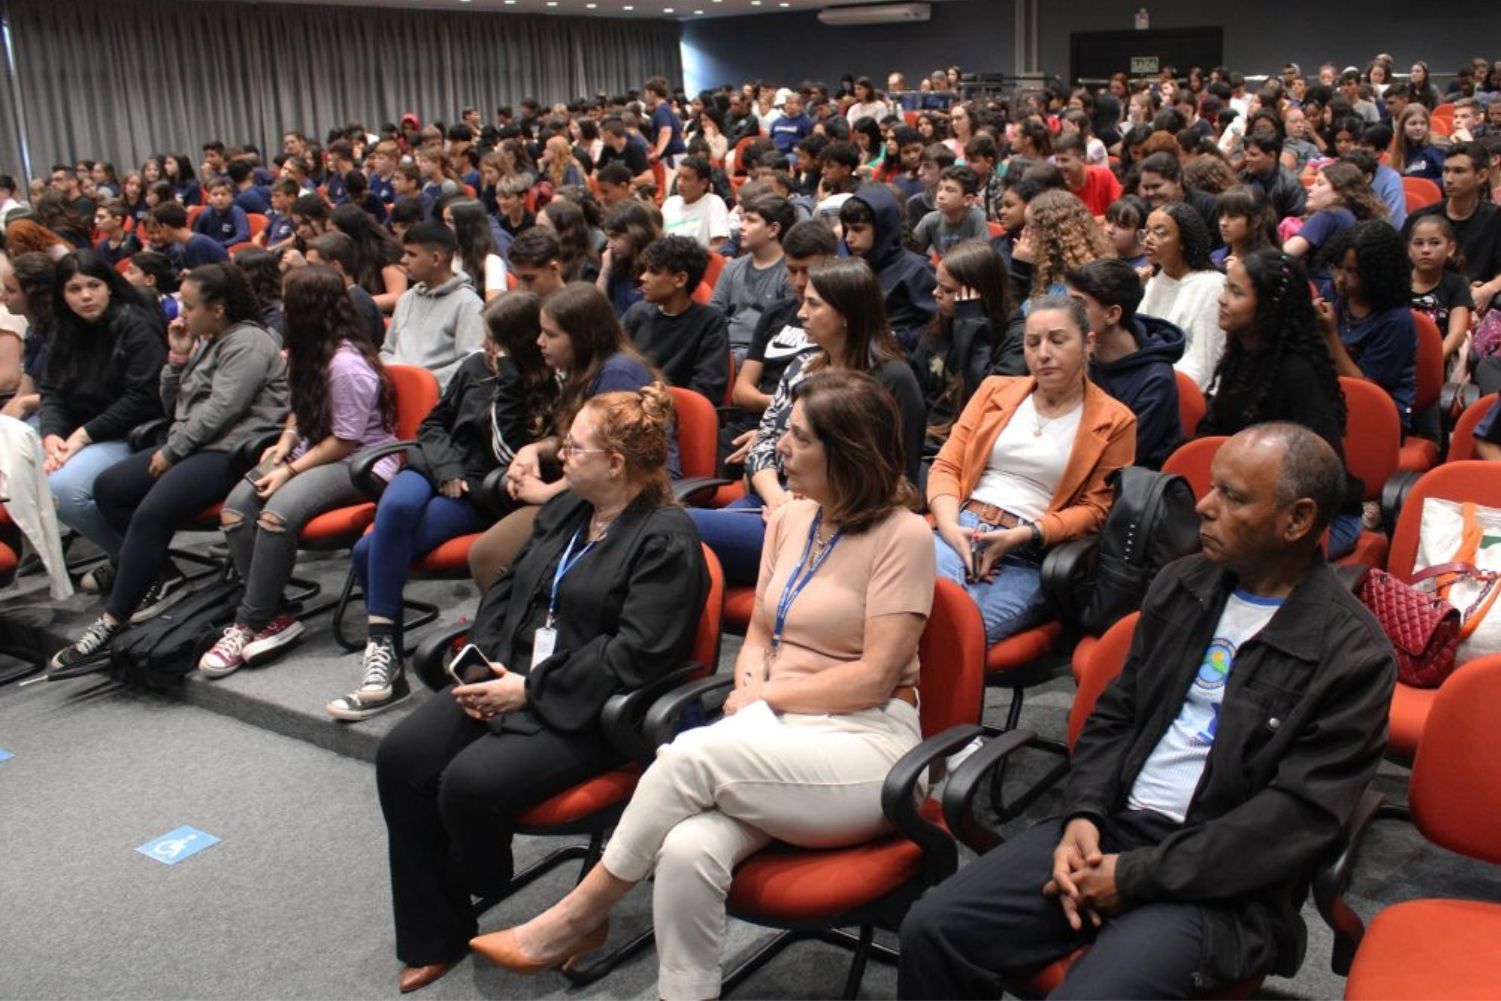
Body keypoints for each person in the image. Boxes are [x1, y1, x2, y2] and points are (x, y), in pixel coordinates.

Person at [470, 368, 931, 1001]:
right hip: (777, 734)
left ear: (845, 450)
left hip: (869, 743)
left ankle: (580, 913)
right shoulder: (791, 518)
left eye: (796, 438)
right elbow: (763, 635)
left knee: (690, 752)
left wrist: (764, 696)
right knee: (686, 850)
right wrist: (751, 684)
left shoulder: (904, 536)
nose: (777, 450)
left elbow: (875, 677)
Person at [900, 421, 1395, 1000]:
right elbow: (1116, 716)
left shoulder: (1351, 655)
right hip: (1114, 827)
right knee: (933, 929)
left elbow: (1289, 823)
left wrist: (1135, 877)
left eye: (1232, 497)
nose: (1204, 507)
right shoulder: (1182, 584)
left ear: (1297, 520)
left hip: (1222, 885)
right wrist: (1082, 815)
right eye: (1212, 488)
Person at [373, 383, 709, 993]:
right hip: (511, 679)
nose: (561, 457)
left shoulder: (665, 539)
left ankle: (487, 879)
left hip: (593, 710)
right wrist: (485, 667)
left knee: (467, 785)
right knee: (401, 758)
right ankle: (434, 935)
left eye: (575, 449)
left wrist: (530, 689)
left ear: (615, 463)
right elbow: (507, 591)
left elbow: (636, 653)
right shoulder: (565, 511)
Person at [48, 264, 288, 674]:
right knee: (110, 488)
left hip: (233, 451)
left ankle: (112, 621)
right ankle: (161, 574)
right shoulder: (210, 341)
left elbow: (221, 411)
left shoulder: (248, 341)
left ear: (218, 308)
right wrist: (177, 357)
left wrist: (173, 451)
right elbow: (173, 405)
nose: (181, 314)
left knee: (151, 511)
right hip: (198, 443)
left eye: (190, 307)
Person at [331, 291, 558, 718]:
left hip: (476, 492)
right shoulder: (473, 367)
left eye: (495, 339)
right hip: (434, 470)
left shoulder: (540, 384)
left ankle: (388, 668)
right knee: (395, 510)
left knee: (366, 550)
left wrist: (508, 378)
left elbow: (509, 452)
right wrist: (445, 467)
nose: (486, 346)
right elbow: (433, 424)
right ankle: (384, 655)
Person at [196, 266, 396, 676]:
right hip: (315, 450)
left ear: (306, 310)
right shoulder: (310, 353)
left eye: (288, 303)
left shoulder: (346, 365)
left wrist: (289, 470)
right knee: (235, 509)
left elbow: (345, 440)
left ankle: (248, 622)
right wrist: (285, 444)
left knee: (274, 515)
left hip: (360, 463)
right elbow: (302, 413)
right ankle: (275, 613)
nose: (280, 310)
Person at [689, 258, 925, 586]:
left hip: (834, 520)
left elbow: (902, 482)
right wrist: (777, 499)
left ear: (847, 313)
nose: (801, 314)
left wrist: (806, 508)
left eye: (813, 304)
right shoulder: (803, 365)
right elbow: (766, 442)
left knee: (679, 530)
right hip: (773, 501)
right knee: (680, 552)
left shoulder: (893, 379)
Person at [928, 295, 1135, 644]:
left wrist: (1025, 535)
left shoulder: (1115, 420)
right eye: (1032, 342)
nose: (1043, 353)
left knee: (962, 637)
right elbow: (947, 465)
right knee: (905, 612)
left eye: (1057, 340)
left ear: (1088, 343)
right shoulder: (996, 390)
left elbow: (1097, 510)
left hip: (1031, 551)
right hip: (959, 529)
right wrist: (951, 528)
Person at [467, 282, 674, 590]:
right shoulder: (582, 371)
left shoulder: (617, 374)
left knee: (490, 556)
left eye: (550, 335)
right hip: (592, 489)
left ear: (582, 337)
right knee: (492, 557)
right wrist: (535, 450)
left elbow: (609, 460)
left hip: (629, 496)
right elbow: (582, 444)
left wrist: (545, 494)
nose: (539, 342)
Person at [1200, 250, 1363, 557]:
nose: (1222, 299)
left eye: (1235, 292)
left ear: (1268, 306)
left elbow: (1321, 474)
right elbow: (1214, 431)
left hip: (1319, 518)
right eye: (1226, 287)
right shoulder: (1241, 353)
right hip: (1247, 499)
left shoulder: (1297, 372)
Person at [38, 252, 166, 595]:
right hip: (83, 433)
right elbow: (51, 391)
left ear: (109, 286)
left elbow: (144, 398)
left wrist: (80, 436)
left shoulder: (137, 325)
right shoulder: (64, 329)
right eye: (74, 289)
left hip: (136, 431)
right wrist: (50, 435)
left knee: (63, 489)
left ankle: (149, 568)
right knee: (24, 469)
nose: (85, 296)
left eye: (93, 285)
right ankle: (127, 559)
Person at [722, 220, 837, 460]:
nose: (798, 281)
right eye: (792, 270)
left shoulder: (837, 321)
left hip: (809, 430)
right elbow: (741, 391)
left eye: (807, 270)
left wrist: (781, 418)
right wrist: (779, 408)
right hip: (755, 423)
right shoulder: (775, 312)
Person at [1070, 258, 1186, 469]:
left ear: (1112, 314)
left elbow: (1117, 460)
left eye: (1078, 305)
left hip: (1121, 486)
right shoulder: (1077, 352)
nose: (1067, 314)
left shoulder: (1155, 381)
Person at [910, 239, 1007, 461]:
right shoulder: (937, 331)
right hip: (929, 439)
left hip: (973, 446)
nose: (935, 293)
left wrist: (971, 324)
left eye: (947, 289)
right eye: (937, 285)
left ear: (978, 294)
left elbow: (983, 393)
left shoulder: (1005, 338)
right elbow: (918, 393)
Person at [1316, 220, 1417, 432]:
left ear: (1378, 273)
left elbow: (1365, 390)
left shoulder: (1396, 320)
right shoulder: (1332, 294)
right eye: (1337, 267)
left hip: (1379, 416)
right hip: (1333, 402)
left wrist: (1330, 335)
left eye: (1353, 271)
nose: (1340, 279)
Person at [623, 236, 730, 406]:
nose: (643, 277)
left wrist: (657, 402)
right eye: (645, 270)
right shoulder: (638, 312)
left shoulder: (709, 323)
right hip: (629, 405)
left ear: (680, 279)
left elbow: (708, 388)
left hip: (673, 413)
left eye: (654, 272)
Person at [379, 220, 486, 391]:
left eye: (411, 254)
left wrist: (421, 382)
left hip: (435, 402)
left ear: (436, 259)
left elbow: (472, 363)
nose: (403, 260)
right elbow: (388, 350)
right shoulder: (406, 299)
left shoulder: (468, 304)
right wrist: (394, 375)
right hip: (395, 393)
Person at [1403, 142, 1501, 321]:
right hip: (1427, 298)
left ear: (1481, 176)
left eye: (1458, 171)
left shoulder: (1495, 218)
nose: (1448, 178)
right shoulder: (1421, 220)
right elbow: (1402, 267)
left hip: (1478, 301)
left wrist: (1488, 289)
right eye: (1446, 170)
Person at [838, 184, 937, 350]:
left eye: (858, 229)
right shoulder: (849, 268)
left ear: (881, 228)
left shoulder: (916, 270)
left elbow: (936, 328)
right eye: (846, 230)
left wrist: (893, 339)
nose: (849, 238)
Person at [1141, 202, 1226, 390]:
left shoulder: (1211, 286)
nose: (1148, 239)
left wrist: (1156, 385)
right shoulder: (1154, 280)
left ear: (1183, 241)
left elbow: (1203, 362)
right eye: (1146, 232)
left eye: (1160, 233)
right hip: (1150, 379)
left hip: (1186, 389)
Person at [710, 194, 793, 360]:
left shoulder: (790, 272)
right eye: (742, 219)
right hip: (723, 348)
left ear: (773, 230)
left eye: (751, 220)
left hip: (763, 355)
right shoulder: (732, 268)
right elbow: (713, 315)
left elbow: (784, 331)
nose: (742, 226)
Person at [1408, 213, 1473, 373]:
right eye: (1418, 243)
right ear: (1409, 249)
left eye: (1435, 243)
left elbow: (1457, 333)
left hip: (1436, 364)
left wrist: (1431, 364)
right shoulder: (1396, 281)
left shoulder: (1456, 284)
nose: (1425, 250)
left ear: (1450, 249)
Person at [304, 232, 385, 347]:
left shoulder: (357, 303)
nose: (307, 272)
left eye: (312, 265)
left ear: (335, 266)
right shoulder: (329, 298)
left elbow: (356, 353)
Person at [0, 254, 54, 423]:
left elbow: (9, 382)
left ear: (33, 294)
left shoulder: (63, 333)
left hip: (57, 416)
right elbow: (24, 390)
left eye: (11, 290)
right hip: (35, 408)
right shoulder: (34, 331)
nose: (3, 296)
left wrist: (23, 404)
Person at [330, 203, 407, 312]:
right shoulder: (346, 254)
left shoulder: (386, 251)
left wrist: (353, 302)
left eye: (334, 233)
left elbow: (397, 296)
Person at [1135, 152, 1222, 246]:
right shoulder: (1143, 209)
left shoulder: (1208, 206)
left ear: (1177, 181)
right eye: (1146, 188)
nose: (1150, 193)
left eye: (1156, 186)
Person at [596, 200, 658, 318]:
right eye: (608, 237)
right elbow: (597, 307)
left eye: (615, 237)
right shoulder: (618, 263)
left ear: (636, 234)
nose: (609, 245)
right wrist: (604, 271)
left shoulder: (657, 269)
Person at [911, 166, 989, 257]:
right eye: (939, 189)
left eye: (950, 190)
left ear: (968, 199)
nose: (940, 195)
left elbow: (983, 257)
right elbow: (910, 252)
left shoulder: (977, 218)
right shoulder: (930, 220)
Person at [443, 198, 507, 302]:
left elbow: (494, 309)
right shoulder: (447, 257)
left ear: (467, 226)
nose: (444, 227)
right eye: (444, 221)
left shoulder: (492, 262)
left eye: (450, 221)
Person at [660, 156, 729, 252]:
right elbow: (659, 239)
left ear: (703, 183)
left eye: (687, 179)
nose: (680, 183)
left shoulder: (714, 203)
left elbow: (721, 245)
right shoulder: (670, 203)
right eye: (678, 177)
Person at [1239, 134, 1307, 220]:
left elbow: (1296, 221)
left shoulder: (1291, 184)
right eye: (1247, 154)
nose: (1247, 159)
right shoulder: (1244, 177)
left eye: (1253, 155)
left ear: (1272, 156)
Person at [1055, 131, 1123, 216]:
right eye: (1056, 160)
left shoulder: (1103, 176)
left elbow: (1119, 210)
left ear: (1082, 159)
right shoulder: (1057, 185)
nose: (1058, 166)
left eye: (1064, 160)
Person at [151, 202, 229, 270]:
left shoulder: (197, 244)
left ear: (165, 227)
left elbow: (203, 278)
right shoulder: (186, 245)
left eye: (158, 230)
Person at [1389, 105, 1446, 183]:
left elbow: (1448, 179)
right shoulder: (1400, 152)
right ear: (1403, 127)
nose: (1418, 128)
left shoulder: (1437, 147)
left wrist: (1422, 185)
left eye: (1423, 123)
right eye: (1413, 124)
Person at [192, 179, 251, 249]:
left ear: (231, 198)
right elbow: (196, 236)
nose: (220, 198)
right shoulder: (205, 214)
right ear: (209, 199)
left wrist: (220, 245)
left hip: (230, 249)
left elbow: (243, 236)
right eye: (215, 195)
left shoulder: (237, 212)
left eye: (224, 194)